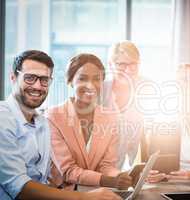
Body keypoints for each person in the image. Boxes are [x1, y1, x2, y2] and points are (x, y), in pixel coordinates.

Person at [0, 50, 121, 200]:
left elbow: (43, 181)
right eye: (30, 78)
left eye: (44, 80)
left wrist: (123, 177)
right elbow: (18, 186)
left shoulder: (41, 122)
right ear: (13, 77)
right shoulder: (3, 118)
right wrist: (83, 197)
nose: (38, 86)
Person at [47, 53, 132, 190]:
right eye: (82, 78)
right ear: (70, 81)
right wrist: (109, 181)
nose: (90, 85)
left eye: (96, 79)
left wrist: (121, 176)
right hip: (62, 193)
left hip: (95, 192)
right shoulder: (53, 117)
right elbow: (68, 171)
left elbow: (106, 165)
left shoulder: (111, 118)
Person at [103, 40, 145, 170]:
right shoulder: (100, 90)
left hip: (136, 169)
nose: (128, 69)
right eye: (121, 64)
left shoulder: (147, 89)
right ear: (110, 65)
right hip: (102, 169)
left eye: (133, 64)